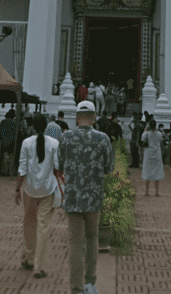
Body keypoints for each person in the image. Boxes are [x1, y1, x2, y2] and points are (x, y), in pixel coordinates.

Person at [59, 100, 114, 294]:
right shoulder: (103, 138)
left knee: (75, 243)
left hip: (72, 196)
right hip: (93, 197)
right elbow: (109, 168)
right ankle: (90, 283)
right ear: (93, 117)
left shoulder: (66, 137)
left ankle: (76, 288)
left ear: (76, 117)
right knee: (92, 239)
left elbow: (58, 163)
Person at [15, 114, 59, 280]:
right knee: (43, 227)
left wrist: (16, 188)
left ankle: (28, 258)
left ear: (32, 126)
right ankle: (39, 267)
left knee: (29, 224)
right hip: (48, 189)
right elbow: (58, 165)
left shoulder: (27, 143)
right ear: (47, 126)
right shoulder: (54, 143)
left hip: (30, 188)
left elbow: (22, 168)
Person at [141, 118, 164, 196]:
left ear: (149, 126)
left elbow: (142, 138)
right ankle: (157, 192)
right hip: (157, 154)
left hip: (148, 154)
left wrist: (146, 129)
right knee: (157, 172)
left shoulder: (146, 133)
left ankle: (146, 191)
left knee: (147, 171)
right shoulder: (159, 134)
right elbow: (161, 141)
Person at [0, 111, 16, 177]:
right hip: (11, 141)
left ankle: (4, 171)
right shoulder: (14, 122)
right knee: (11, 157)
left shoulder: (3, 121)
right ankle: (10, 172)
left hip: (4, 140)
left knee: (5, 156)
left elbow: (0, 131)